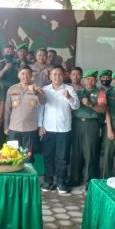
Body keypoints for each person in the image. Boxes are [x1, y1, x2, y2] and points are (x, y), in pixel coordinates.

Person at [38, 65, 80, 194]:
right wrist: (40, 125)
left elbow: (76, 106)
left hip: (64, 129)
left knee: (63, 158)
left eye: (60, 74)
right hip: (48, 129)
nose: (57, 77)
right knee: (48, 157)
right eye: (54, 74)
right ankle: (48, 181)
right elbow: (40, 109)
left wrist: (69, 97)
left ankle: (61, 182)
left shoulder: (69, 89)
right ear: (50, 76)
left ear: (64, 75)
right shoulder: (45, 90)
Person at [71, 70, 107, 189]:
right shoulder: (78, 92)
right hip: (77, 123)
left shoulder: (100, 93)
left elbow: (103, 109)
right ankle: (75, 178)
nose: (89, 81)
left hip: (91, 124)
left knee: (90, 153)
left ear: (96, 80)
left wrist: (90, 104)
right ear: (83, 80)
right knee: (76, 152)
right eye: (87, 79)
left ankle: (89, 180)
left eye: (92, 79)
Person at [4, 66, 45, 161]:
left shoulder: (37, 89)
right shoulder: (12, 89)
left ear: (31, 76)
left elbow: (43, 102)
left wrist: (36, 93)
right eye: (22, 74)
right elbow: (7, 109)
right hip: (14, 128)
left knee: (28, 157)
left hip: (30, 129)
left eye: (28, 74)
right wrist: (6, 126)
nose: (25, 76)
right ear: (18, 75)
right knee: (12, 156)